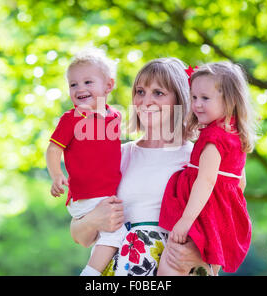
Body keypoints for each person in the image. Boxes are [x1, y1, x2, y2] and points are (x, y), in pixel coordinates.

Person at [68, 57, 233, 276]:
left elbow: (224, 227)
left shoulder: (200, 159)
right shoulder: (117, 155)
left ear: (180, 99)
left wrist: (200, 257)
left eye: (158, 93)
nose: (145, 101)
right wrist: (94, 219)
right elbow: (79, 234)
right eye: (140, 91)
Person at [157, 61, 257, 276]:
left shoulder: (213, 138)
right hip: (220, 216)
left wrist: (185, 220)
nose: (197, 104)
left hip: (201, 213)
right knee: (201, 266)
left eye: (205, 98)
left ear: (229, 101)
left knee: (171, 264)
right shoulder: (236, 135)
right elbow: (240, 182)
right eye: (193, 97)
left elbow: (206, 180)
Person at [45, 47, 126, 276]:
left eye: (88, 82)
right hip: (86, 195)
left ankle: (97, 270)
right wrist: (56, 175)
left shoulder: (115, 117)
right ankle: (89, 275)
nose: (80, 89)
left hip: (104, 194)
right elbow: (52, 149)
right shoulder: (71, 119)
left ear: (108, 86)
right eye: (73, 84)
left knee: (107, 238)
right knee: (115, 234)